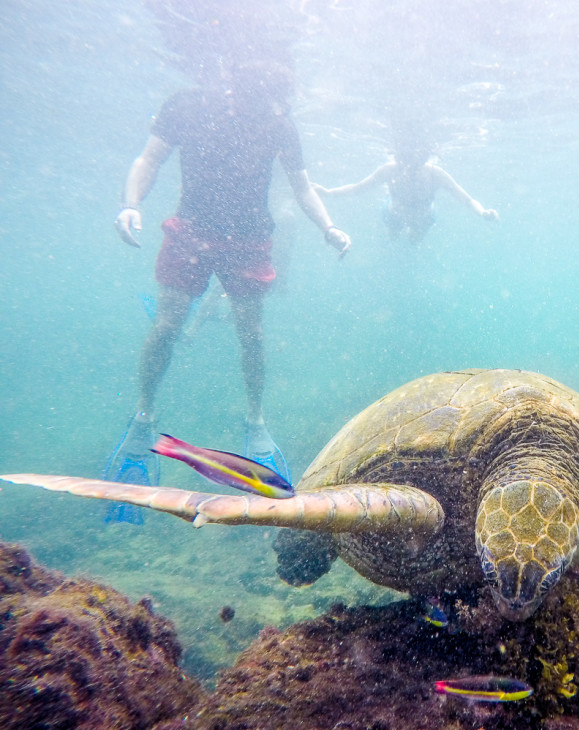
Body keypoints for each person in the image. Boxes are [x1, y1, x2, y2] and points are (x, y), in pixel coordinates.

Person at [104, 60, 351, 524]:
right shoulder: (186, 106)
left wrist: (329, 226)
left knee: (251, 334)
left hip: (249, 236)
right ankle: (143, 418)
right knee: (166, 326)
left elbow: (301, 186)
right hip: (192, 228)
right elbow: (150, 158)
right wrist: (129, 204)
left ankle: (255, 422)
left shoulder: (278, 122)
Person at [313, 142, 499, 243]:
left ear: (424, 158)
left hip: (423, 219)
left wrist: (482, 212)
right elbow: (357, 188)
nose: (409, 169)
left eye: (414, 163)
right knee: (392, 239)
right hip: (393, 214)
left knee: (412, 242)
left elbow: (467, 200)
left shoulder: (436, 174)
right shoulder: (389, 170)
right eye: (404, 161)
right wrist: (329, 193)